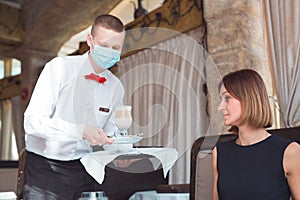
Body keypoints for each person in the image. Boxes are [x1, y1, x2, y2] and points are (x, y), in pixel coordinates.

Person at [23, 14, 126, 199]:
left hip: (85, 169)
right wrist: (80, 131)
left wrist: (121, 150)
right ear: (90, 41)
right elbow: (33, 123)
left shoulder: (116, 87)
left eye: (116, 48)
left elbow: (112, 134)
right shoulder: (59, 68)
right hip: (45, 170)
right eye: (104, 46)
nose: (110, 52)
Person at [212, 69, 300, 200]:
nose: (220, 107)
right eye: (221, 99)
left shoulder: (290, 152)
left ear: (247, 98)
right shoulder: (219, 153)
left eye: (227, 98)